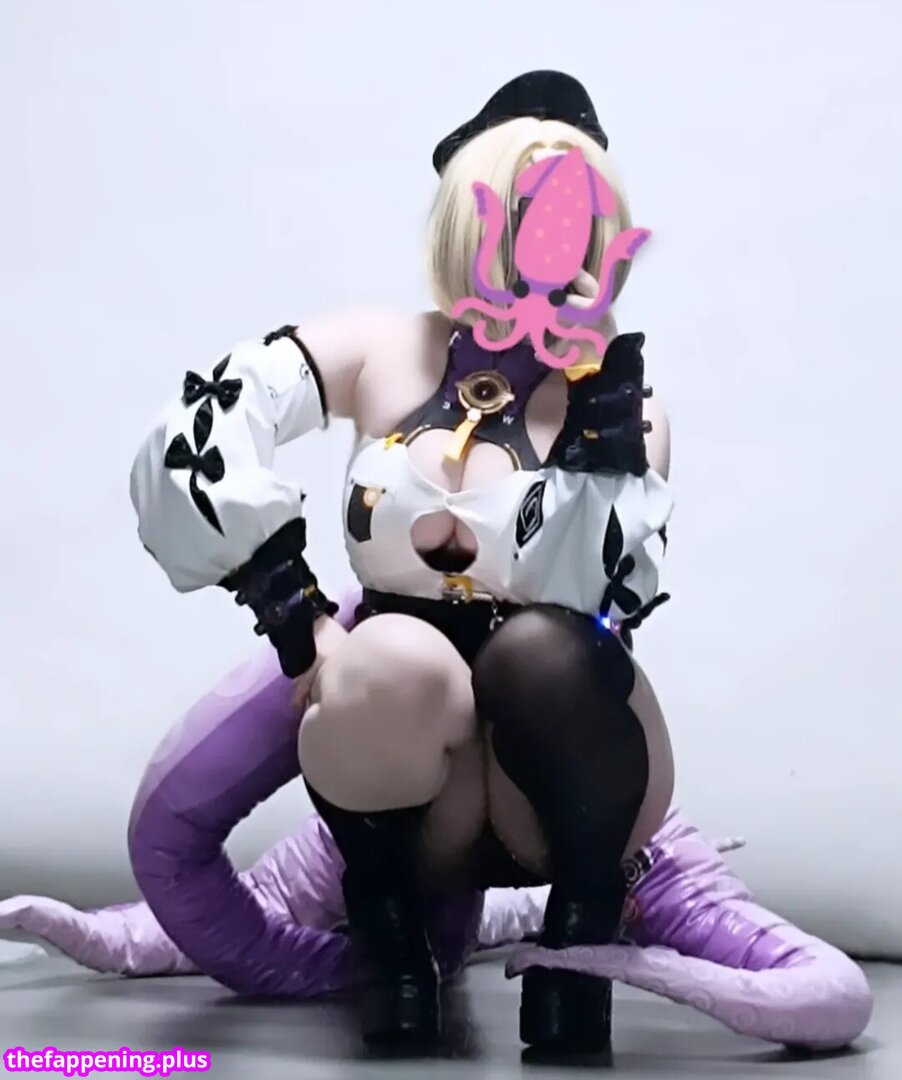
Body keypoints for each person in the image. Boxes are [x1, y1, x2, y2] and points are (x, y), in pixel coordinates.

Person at [130, 70, 675, 1053]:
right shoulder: (384, 348)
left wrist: (598, 404)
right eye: (525, 207)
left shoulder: (619, 405)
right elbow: (201, 428)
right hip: (408, 768)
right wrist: (294, 615)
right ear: (476, 212)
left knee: (545, 653)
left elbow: (606, 592)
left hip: (562, 777)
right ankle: (388, 938)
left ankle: (579, 938)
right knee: (390, 659)